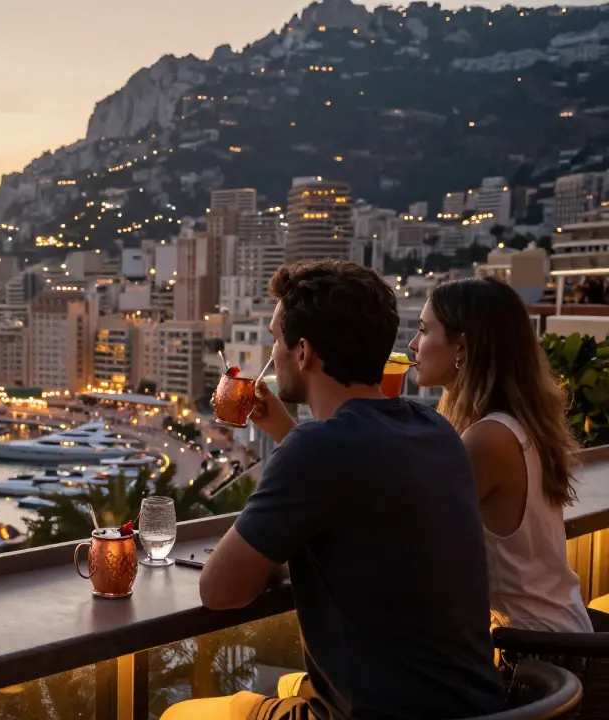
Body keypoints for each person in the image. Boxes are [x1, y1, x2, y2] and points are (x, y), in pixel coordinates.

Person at [164, 261, 504, 720]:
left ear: (302, 352)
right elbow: (361, 491)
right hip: (481, 708)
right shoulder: (435, 429)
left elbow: (218, 589)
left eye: (276, 338)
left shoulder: (316, 448)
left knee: (182, 715)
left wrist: (278, 561)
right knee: (291, 683)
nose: (273, 353)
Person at [409, 276, 592, 634]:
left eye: (423, 330)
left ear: (461, 347)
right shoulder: (515, 426)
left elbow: (409, 532)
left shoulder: (489, 439)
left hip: (538, 660)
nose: (414, 345)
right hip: (560, 638)